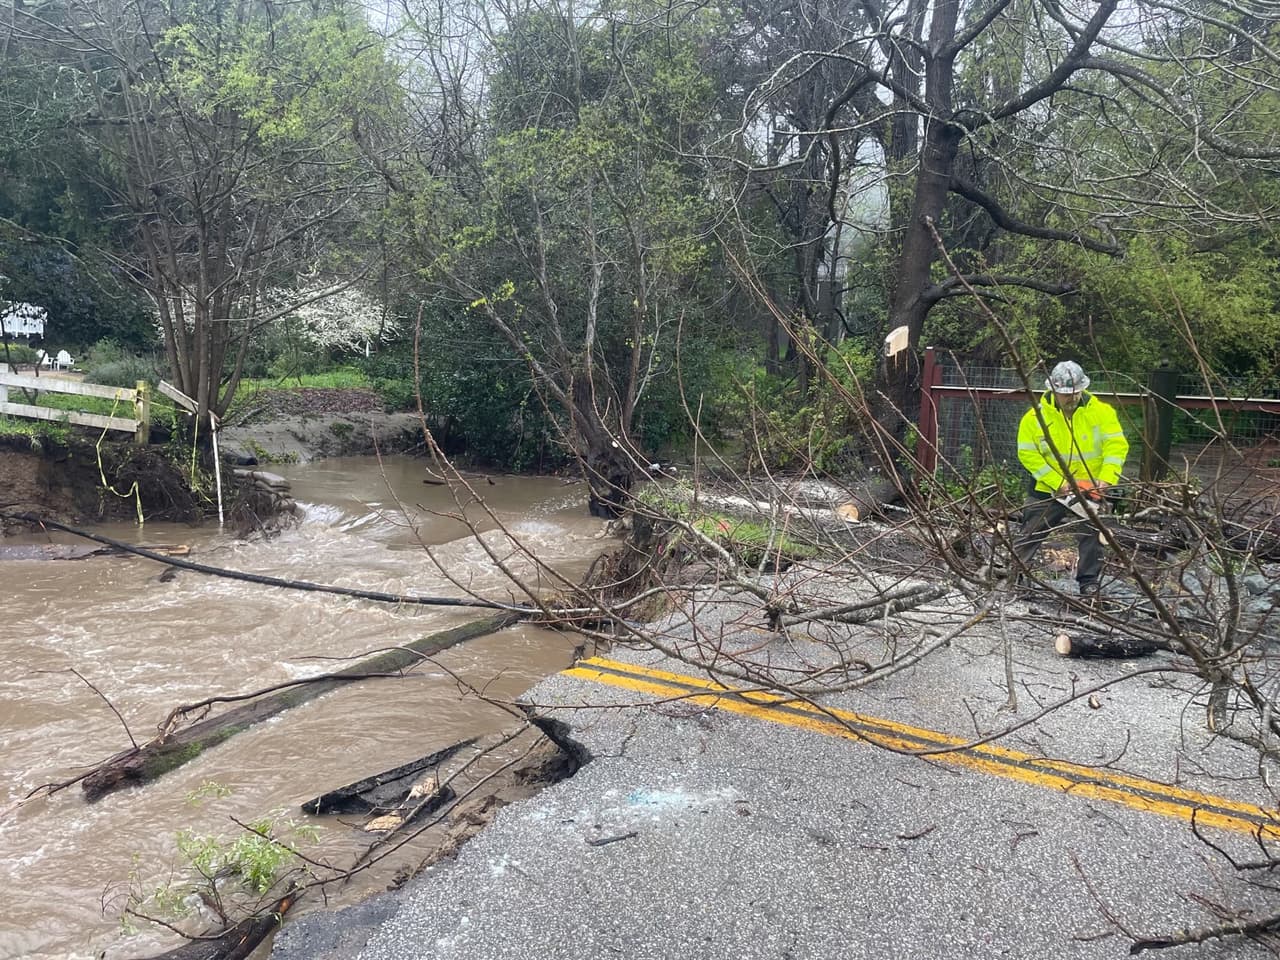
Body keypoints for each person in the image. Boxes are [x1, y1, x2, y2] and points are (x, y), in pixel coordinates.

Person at [1013, 360, 1129, 598]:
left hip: (1090, 489)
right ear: (1053, 390)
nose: (1072, 397)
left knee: (1093, 536)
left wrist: (1106, 479)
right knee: (1031, 531)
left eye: (1076, 392)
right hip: (1048, 488)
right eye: (1066, 394)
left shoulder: (1102, 413)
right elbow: (1028, 454)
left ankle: (1089, 583)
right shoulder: (1034, 418)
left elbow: (1116, 447)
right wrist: (1059, 482)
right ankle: (1015, 574)